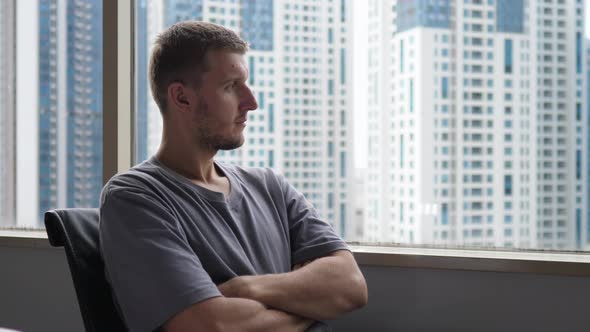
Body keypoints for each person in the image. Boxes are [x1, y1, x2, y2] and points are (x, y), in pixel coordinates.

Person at [99, 21, 368, 332]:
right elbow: (210, 326)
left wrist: (244, 289)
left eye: (246, 84)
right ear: (182, 98)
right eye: (231, 86)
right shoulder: (134, 197)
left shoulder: (270, 186)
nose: (251, 102)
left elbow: (351, 286)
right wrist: (311, 305)